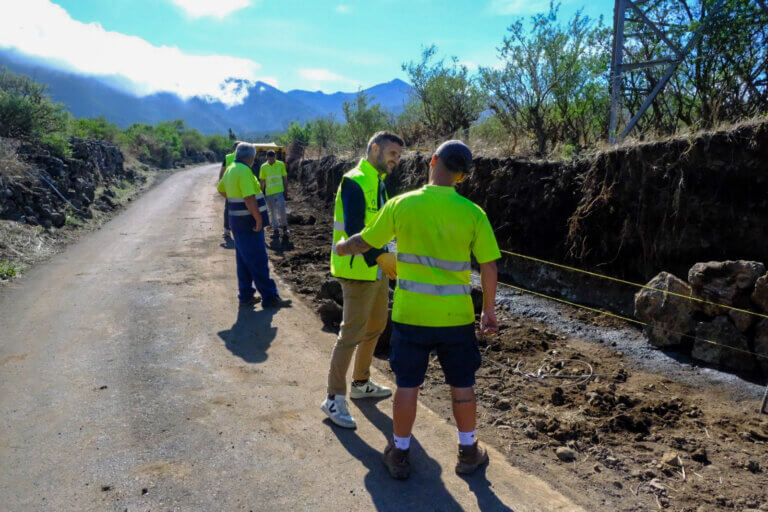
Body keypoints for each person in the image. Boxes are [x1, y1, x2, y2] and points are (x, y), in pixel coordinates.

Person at [334, 140, 500, 479]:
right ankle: (468, 452)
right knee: (462, 385)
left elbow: (365, 241)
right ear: (462, 176)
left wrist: (342, 247)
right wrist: (488, 311)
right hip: (455, 319)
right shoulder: (473, 213)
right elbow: (489, 266)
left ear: (433, 161)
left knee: (408, 386)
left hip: (410, 316)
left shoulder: (401, 204)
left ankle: (399, 453)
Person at [320, 131, 404, 429]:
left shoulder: (378, 182)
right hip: (357, 270)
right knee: (351, 334)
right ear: (375, 148)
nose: (396, 160)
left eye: (399, 156)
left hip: (376, 270)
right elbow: (355, 229)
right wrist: (381, 257)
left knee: (377, 325)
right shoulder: (354, 180)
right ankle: (333, 398)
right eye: (392, 154)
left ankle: (360, 382)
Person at [217, 143, 291, 309]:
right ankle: (270, 297)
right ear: (251, 157)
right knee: (258, 259)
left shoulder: (231, 169)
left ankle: (246, 295)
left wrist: (234, 201)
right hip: (248, 222)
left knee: (243, 260)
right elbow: (249, 198)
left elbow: (221, 189)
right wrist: (258, 219)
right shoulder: (244, 171)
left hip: (237, 222)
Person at [258, 150, 290, 247]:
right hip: (269, 193)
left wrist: (286, 190)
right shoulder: (263, 167)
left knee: (282, 210)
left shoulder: (280, 164)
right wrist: (261, 193)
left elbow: (284, 177)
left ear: (275, 157)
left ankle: (285, 228)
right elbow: (262, 181)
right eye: (270, 158)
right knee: (272, 212)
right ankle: (276, 230)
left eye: (273, 158)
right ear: (267, 157)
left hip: (279, 192)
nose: (272, 160)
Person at [219, 142, 239, 239]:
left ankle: (227, 229)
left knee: (228, 208)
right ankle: (230, 229)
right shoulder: (245, 157)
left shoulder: (228, 157)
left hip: (230, 188)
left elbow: (221, 173)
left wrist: (222, 185)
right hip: (239, 188)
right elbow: (222, 172)